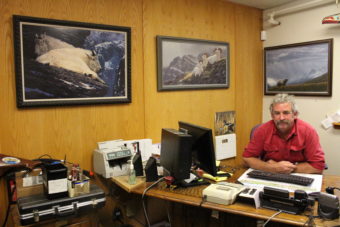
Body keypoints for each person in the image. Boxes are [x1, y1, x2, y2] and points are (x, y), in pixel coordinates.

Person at [243, 93, 325, 174]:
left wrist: (285, 168)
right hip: (270, 174)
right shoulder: (262, 130)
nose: (281, 118)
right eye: (277, 113)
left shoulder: (308, 131)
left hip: (299, 176)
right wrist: (271, 168)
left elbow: (318, 166)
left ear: (295, 114)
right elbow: (247, 158)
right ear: (272, 115)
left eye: (286, 113)